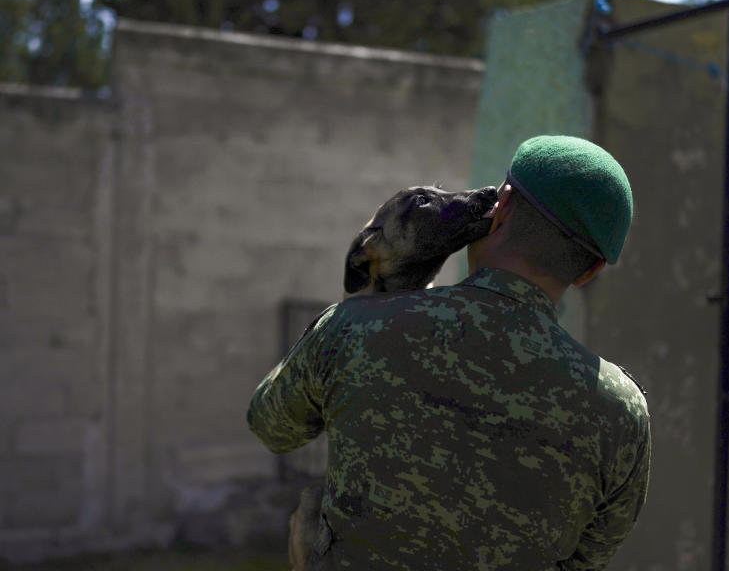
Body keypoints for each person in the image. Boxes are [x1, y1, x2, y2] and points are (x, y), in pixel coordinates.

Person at [248, 134, 650, 570]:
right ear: (590, 272)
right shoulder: (622, 411)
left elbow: (272, 426)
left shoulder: (357, 327)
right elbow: (586, 560)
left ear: (504, 209)